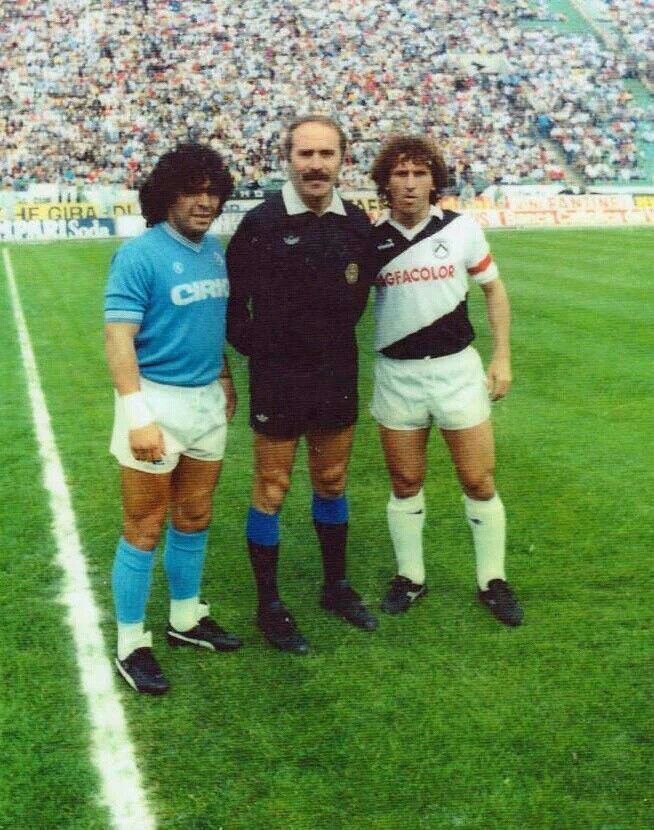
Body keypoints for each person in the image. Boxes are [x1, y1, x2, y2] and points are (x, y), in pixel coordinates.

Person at [226, 114, 378, 654]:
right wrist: (269, 352)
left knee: (332, 480)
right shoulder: (260, 224)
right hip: (279, 378)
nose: (316, 165)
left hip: (336, 371)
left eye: (326, 154)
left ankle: (335, 587)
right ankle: (269, 605)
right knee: (272, 487)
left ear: (342, 160)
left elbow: (360, 298)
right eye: (305, 154)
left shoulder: (356, 224)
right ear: (288, 159)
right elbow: (233, 307)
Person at [368, 134, 523, 626]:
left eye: (420, 173)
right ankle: (410, 576)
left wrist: (501, 357)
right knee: (405, 480)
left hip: (457, 371)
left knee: (478, 479)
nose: (410, 183)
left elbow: (494, 291)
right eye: (400, 174)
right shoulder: (369, 239)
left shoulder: (461, 229)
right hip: (397, 375)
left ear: (434, 180)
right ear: (385, 183)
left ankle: (492, 580)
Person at [104, 143, 242, 695]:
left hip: (206, 401)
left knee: (195, 513)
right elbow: (118, 338)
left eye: (212, 192)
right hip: (155, 403)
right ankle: (131, 643)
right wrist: (137, 415)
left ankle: (185, 617)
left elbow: (211, 325)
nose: (205, 202)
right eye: (192, 191)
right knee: (144, 524)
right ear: (167, 196)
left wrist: (225, 376)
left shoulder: (213, 252)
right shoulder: (139, 255)